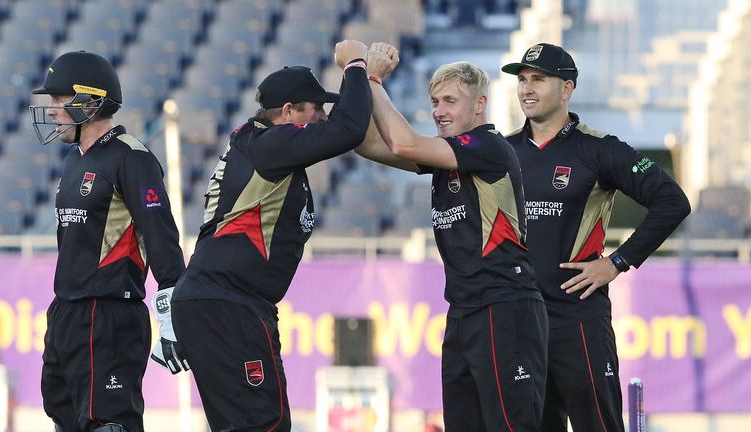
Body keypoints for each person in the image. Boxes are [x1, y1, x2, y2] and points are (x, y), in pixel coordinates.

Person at [169, 40, 372, 432]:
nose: (324, 117)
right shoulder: (272, 144)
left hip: (217, 298)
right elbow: (349, 129)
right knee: (265, 424)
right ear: (289, 112)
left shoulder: (262, 145)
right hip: (230, 301)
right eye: (316, 109)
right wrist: (357, 65)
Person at [355, 43, 548, 431]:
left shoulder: (488, 146)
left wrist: (373, 79)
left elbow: (402, 142)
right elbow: (368, 143)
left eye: (449, 101)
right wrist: (355, 77)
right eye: (434, 102)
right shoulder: (447, 156)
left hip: (503, 305)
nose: (439, 111)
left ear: (479, 105)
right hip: (464, 311)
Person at [501, 43, 692, 432]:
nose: (526, 88)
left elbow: (673, 201)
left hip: (578, 320)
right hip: (520, 324)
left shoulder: (598, 148)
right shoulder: (501, 151)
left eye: (538, 78)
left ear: (567, 88)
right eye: (522, 80)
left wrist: (617, 262)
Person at [30, 51, 187, 432]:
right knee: (64, 417)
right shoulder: (75, 162)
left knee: (109, 421)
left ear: (91, 100)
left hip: (111, 314)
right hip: (67, 310)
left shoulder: (131, 158)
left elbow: (161, 235)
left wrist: (172, 312)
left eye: (59, 99)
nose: (51, 110)